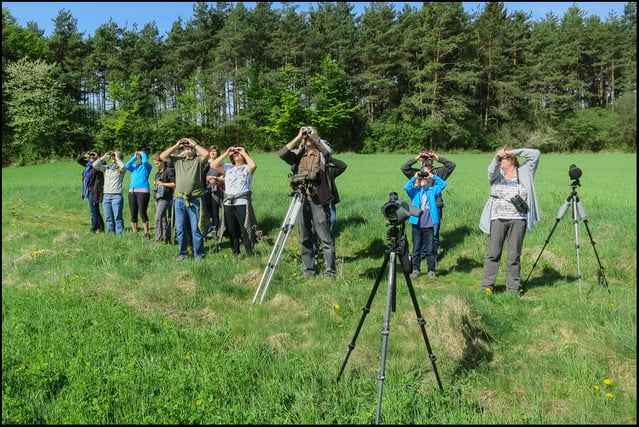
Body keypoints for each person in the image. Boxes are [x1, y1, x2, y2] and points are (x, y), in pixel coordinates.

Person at [279, 126, 345, 279]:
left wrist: (314, 135)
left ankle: (330, 272)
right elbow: (282, 153)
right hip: (301, 200)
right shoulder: (298, 155)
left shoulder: (321, 155)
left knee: (325, 237)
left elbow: (328, 152)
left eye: (310, 135)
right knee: (304, 237)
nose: (307, 137)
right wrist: (298, 137)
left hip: (318, 200)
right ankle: (308, 270)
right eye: (306, 136)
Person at [479, 147, 541, 294]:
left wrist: (514, 151)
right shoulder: (497, 175)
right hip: (498, 218)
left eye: (503, 158)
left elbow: (536, 154)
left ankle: (512, 288)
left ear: (511, 159)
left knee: (514, 255)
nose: (501, 161)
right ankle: (487, 286)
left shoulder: (525, 171)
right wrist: (497, 158)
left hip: (519, 219)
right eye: (500, 159)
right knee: (493, 253)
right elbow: (491, 170)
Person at [160, 137, 210, 260]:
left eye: (190, 147)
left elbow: (207, 154)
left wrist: (194, 144)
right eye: (186, 147)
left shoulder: (198, 161)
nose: (188, 148)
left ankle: (199, 255)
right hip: (179, 200)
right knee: (180, 229)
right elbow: (162, 156)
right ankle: (182, 254)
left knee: (196, 229)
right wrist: (177, 145)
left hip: (195, 199)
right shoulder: (178, 161)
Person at [401, 150, 456, 257]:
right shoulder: (417, 173)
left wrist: (438, 158)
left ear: (432, 160)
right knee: (419, 233)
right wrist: (416, 158)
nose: (427, 160)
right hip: (419, 207)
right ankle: (422, 254)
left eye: (429, 158)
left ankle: (433, 255)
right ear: (421, 161)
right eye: (425, 158)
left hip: (435, 205)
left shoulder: (438, 172)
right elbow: (404, 168)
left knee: (434, 233)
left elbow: (451, 165)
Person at [209, 145, 258, 257]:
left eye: (238, 153)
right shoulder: (228, 167)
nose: (236, 154)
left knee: (245, 228)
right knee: (232, 230)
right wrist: (227, 153)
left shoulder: (247, 168)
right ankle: (236, 252)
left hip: (242, 202)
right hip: (228, 202)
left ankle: (250, 253)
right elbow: (213, 165)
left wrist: (243, 152)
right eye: (235, 153)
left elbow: (254, 166)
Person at [404, 168, 447, 280]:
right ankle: (416, 269)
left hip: (429, 224)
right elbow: (406, 187)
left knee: (430, 249)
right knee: (416, 248)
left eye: (424, 179)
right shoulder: (414, 192)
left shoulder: (432, 191)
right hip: (416, 224)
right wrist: (415, 177)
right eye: (421, 179)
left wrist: (431, 176)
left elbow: (443, 184)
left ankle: (431, 271)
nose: (423, 180)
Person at [92, 151, 126, 234]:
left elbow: (123, 167)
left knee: (117, 217)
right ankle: (110, 234)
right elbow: (95, 165)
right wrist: (103, 157)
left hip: (116, 196)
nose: (113, 157)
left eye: (115, 155)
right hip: (106, 196)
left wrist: (117, 159)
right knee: (108, 218)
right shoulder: (107, 167)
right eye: (113, 155)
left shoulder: (121, 168)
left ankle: (120, 234)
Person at [125, 148, 153, 238]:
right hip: (132, 192)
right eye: (139, 156)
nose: (139, 157)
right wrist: (134, 157)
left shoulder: (147, 166)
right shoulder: (134, 167)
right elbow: (127, 165)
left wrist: (142, 153)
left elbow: (145, 162)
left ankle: (146, 233)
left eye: (140, 156)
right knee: (133, 213)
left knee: (142, 212)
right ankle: (135, 232)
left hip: (143, 192)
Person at [76, 150, 105, 233]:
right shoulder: (88, 165)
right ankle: (101, 228)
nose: (92, 157)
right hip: (88, 190)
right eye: (91, 155)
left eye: (93, 155)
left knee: (93, 211)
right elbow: (78, 160)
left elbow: (104, 162)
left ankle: (94, 228)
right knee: (95, 210)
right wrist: (85, 156)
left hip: (95, 190)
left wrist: (98, 157)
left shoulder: (98, 166)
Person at [152, 154, 176, 244]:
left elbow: (174, 183)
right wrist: (156, 183)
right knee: (162, 218)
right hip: (158, 197)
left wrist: (163, 184)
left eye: (157, 163)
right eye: (155, 164)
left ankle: (158, 239)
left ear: (163, 162)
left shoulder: (169, 171)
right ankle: (165, 238)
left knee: (157, 218)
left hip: (166, 198)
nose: (156, 165)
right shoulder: (157, 173)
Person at [204, 145, 225, 238]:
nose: (213, 153)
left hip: (216, 190)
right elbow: (200, 176)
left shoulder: (221, 164)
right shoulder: (204, 163)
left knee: (215, 210)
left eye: (215, 151)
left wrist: (215, 178)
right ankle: (206, 229)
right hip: (205, 189)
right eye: (211, 151)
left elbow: (224, 176)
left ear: (218, 153)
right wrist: (207, 178)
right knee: (206, 211)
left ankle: (214, 231)